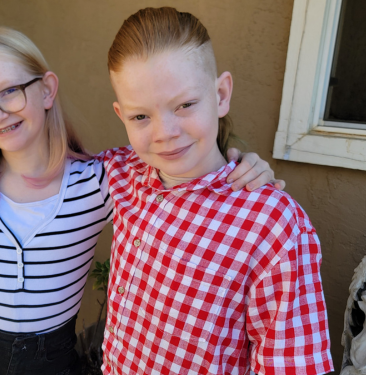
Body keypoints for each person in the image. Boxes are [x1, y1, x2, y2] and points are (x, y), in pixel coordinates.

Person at [0, 26, 278, 375]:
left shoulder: (100, 181)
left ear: (47, 89)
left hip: (52, 355)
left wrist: (241, 164)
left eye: (9, 92)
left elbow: (177, 158)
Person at [98, 7, 334, 375]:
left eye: (185, 105)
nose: (164, 132)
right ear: (120, 114)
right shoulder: (122, 173)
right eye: (140, 116)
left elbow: (290, 365)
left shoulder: (272, 226)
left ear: (221, 94)